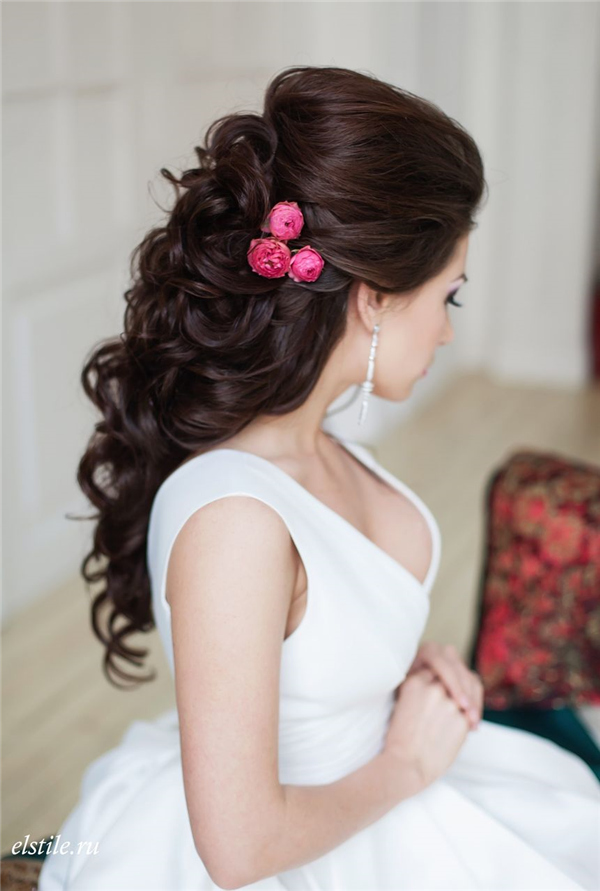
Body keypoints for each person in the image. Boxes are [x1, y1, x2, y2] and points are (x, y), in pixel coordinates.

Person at [38, 65, 599, 891]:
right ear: (372, 299)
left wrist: (399, 673)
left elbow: (318, 635)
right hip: (302, 848)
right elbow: (237, 851)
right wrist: (408, 761)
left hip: (371, 786)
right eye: (450, 296)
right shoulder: (234, 521)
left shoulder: (323, 446)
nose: (446, 332)